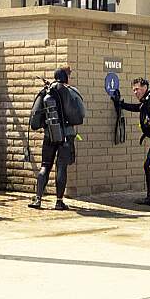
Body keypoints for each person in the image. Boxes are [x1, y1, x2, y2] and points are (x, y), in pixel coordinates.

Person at [28, 66, 85, 210]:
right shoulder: (72, 91)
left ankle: (38, 199)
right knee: (61, 168)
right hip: (66, 136)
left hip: (49, 135)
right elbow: (81, 114)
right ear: (66, 77)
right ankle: (59, 202)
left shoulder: (46, 92)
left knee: (45, 166)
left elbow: (35, 118)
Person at [112, 77, 150, 206]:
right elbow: (138, 108)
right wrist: (121, 104)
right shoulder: (147, 100)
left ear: (145, 87)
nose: (135, 92)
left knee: (149, 165)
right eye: (133, 90)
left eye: (137, 89)